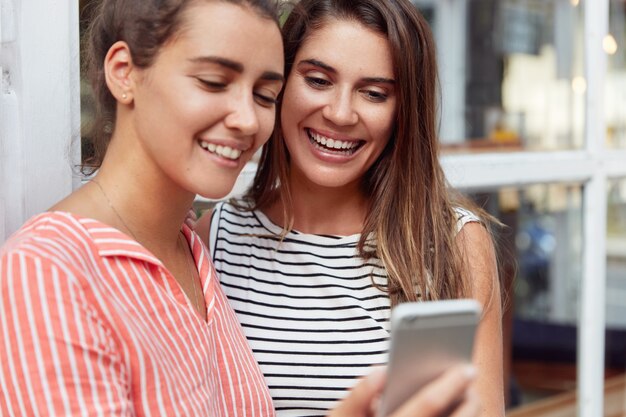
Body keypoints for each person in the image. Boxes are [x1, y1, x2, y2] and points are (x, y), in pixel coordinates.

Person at [0, 0, 480, 416]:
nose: (248, 119)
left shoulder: (192, 256)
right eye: (213, 82)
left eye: (264, 95)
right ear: (124, 72)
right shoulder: (45, 270)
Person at [197, 0, 505, 416]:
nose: (340, 114)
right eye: (319, 81)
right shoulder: (213, 238)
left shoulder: (455, 244)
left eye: (374, 93)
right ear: (280, 82)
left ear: (403, 112)